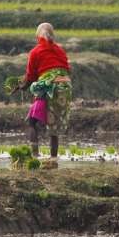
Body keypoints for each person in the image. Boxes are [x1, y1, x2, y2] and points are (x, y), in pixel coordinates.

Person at [11, 23, 72, 159]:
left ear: (38, 36)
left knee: (32, 121)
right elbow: (67, 69)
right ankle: (53, 158)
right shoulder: (60, 50)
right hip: (65, 88)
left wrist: (21, 87)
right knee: (53, 127)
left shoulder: (35, 52)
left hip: (48, 86)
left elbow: (31, 76)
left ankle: (35, 155)